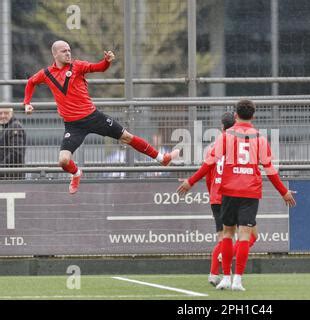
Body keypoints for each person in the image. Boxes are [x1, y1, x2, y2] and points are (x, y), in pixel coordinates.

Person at [23, 40, 178, 194]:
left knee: (127, 137)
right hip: (73, 125)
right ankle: (76, 174)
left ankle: (161, 158)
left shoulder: (77, 66)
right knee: (63, 161)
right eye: (64, 51)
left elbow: (98, 67)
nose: (68, 53)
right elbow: (31, 82)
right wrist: (27, 103)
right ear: (55, 54)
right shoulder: (47, 73)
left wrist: (106, 61)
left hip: (93, 117)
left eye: (69, 50)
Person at [178, 99, 296, 291]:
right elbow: (271, 171)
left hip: (229, 190)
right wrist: (283, 192)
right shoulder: (260, 138)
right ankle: (238, 280)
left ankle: (226, 277)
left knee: (227, 233)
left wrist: (190, 181)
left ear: (235, 115)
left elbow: (209, 163)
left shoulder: (225, 136)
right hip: (250, 191)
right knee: (245, 235)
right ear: (254, 116)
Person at [177, 112, 258, 287]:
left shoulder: (217, 144)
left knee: (225, 237)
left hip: (219, 195)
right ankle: (222, 264)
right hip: (237, 193)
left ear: (222, 127)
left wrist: (207, 190)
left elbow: (207, 170)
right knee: (248, 235)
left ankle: (215, 273)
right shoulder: (244, 141)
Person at [0, 108, 26, 180]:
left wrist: (1, 167)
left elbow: (16, 154)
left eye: (6, 113)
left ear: (12, 113)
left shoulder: (15, 127)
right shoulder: (7, 128)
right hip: (8, 174)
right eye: (0, 113)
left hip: (12, 176)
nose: (3, 116)